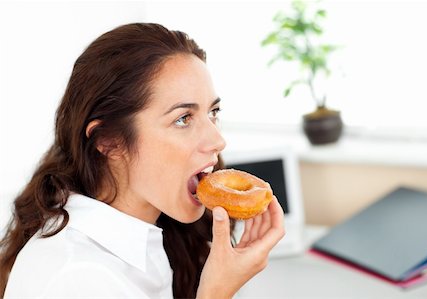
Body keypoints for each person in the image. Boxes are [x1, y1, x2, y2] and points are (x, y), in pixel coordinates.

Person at [0, 23, 285, 298]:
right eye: (183, 118)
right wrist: (217, 292)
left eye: (213, 112)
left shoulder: (162, 235)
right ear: (108, 141)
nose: (218, 141)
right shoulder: (75, 276)